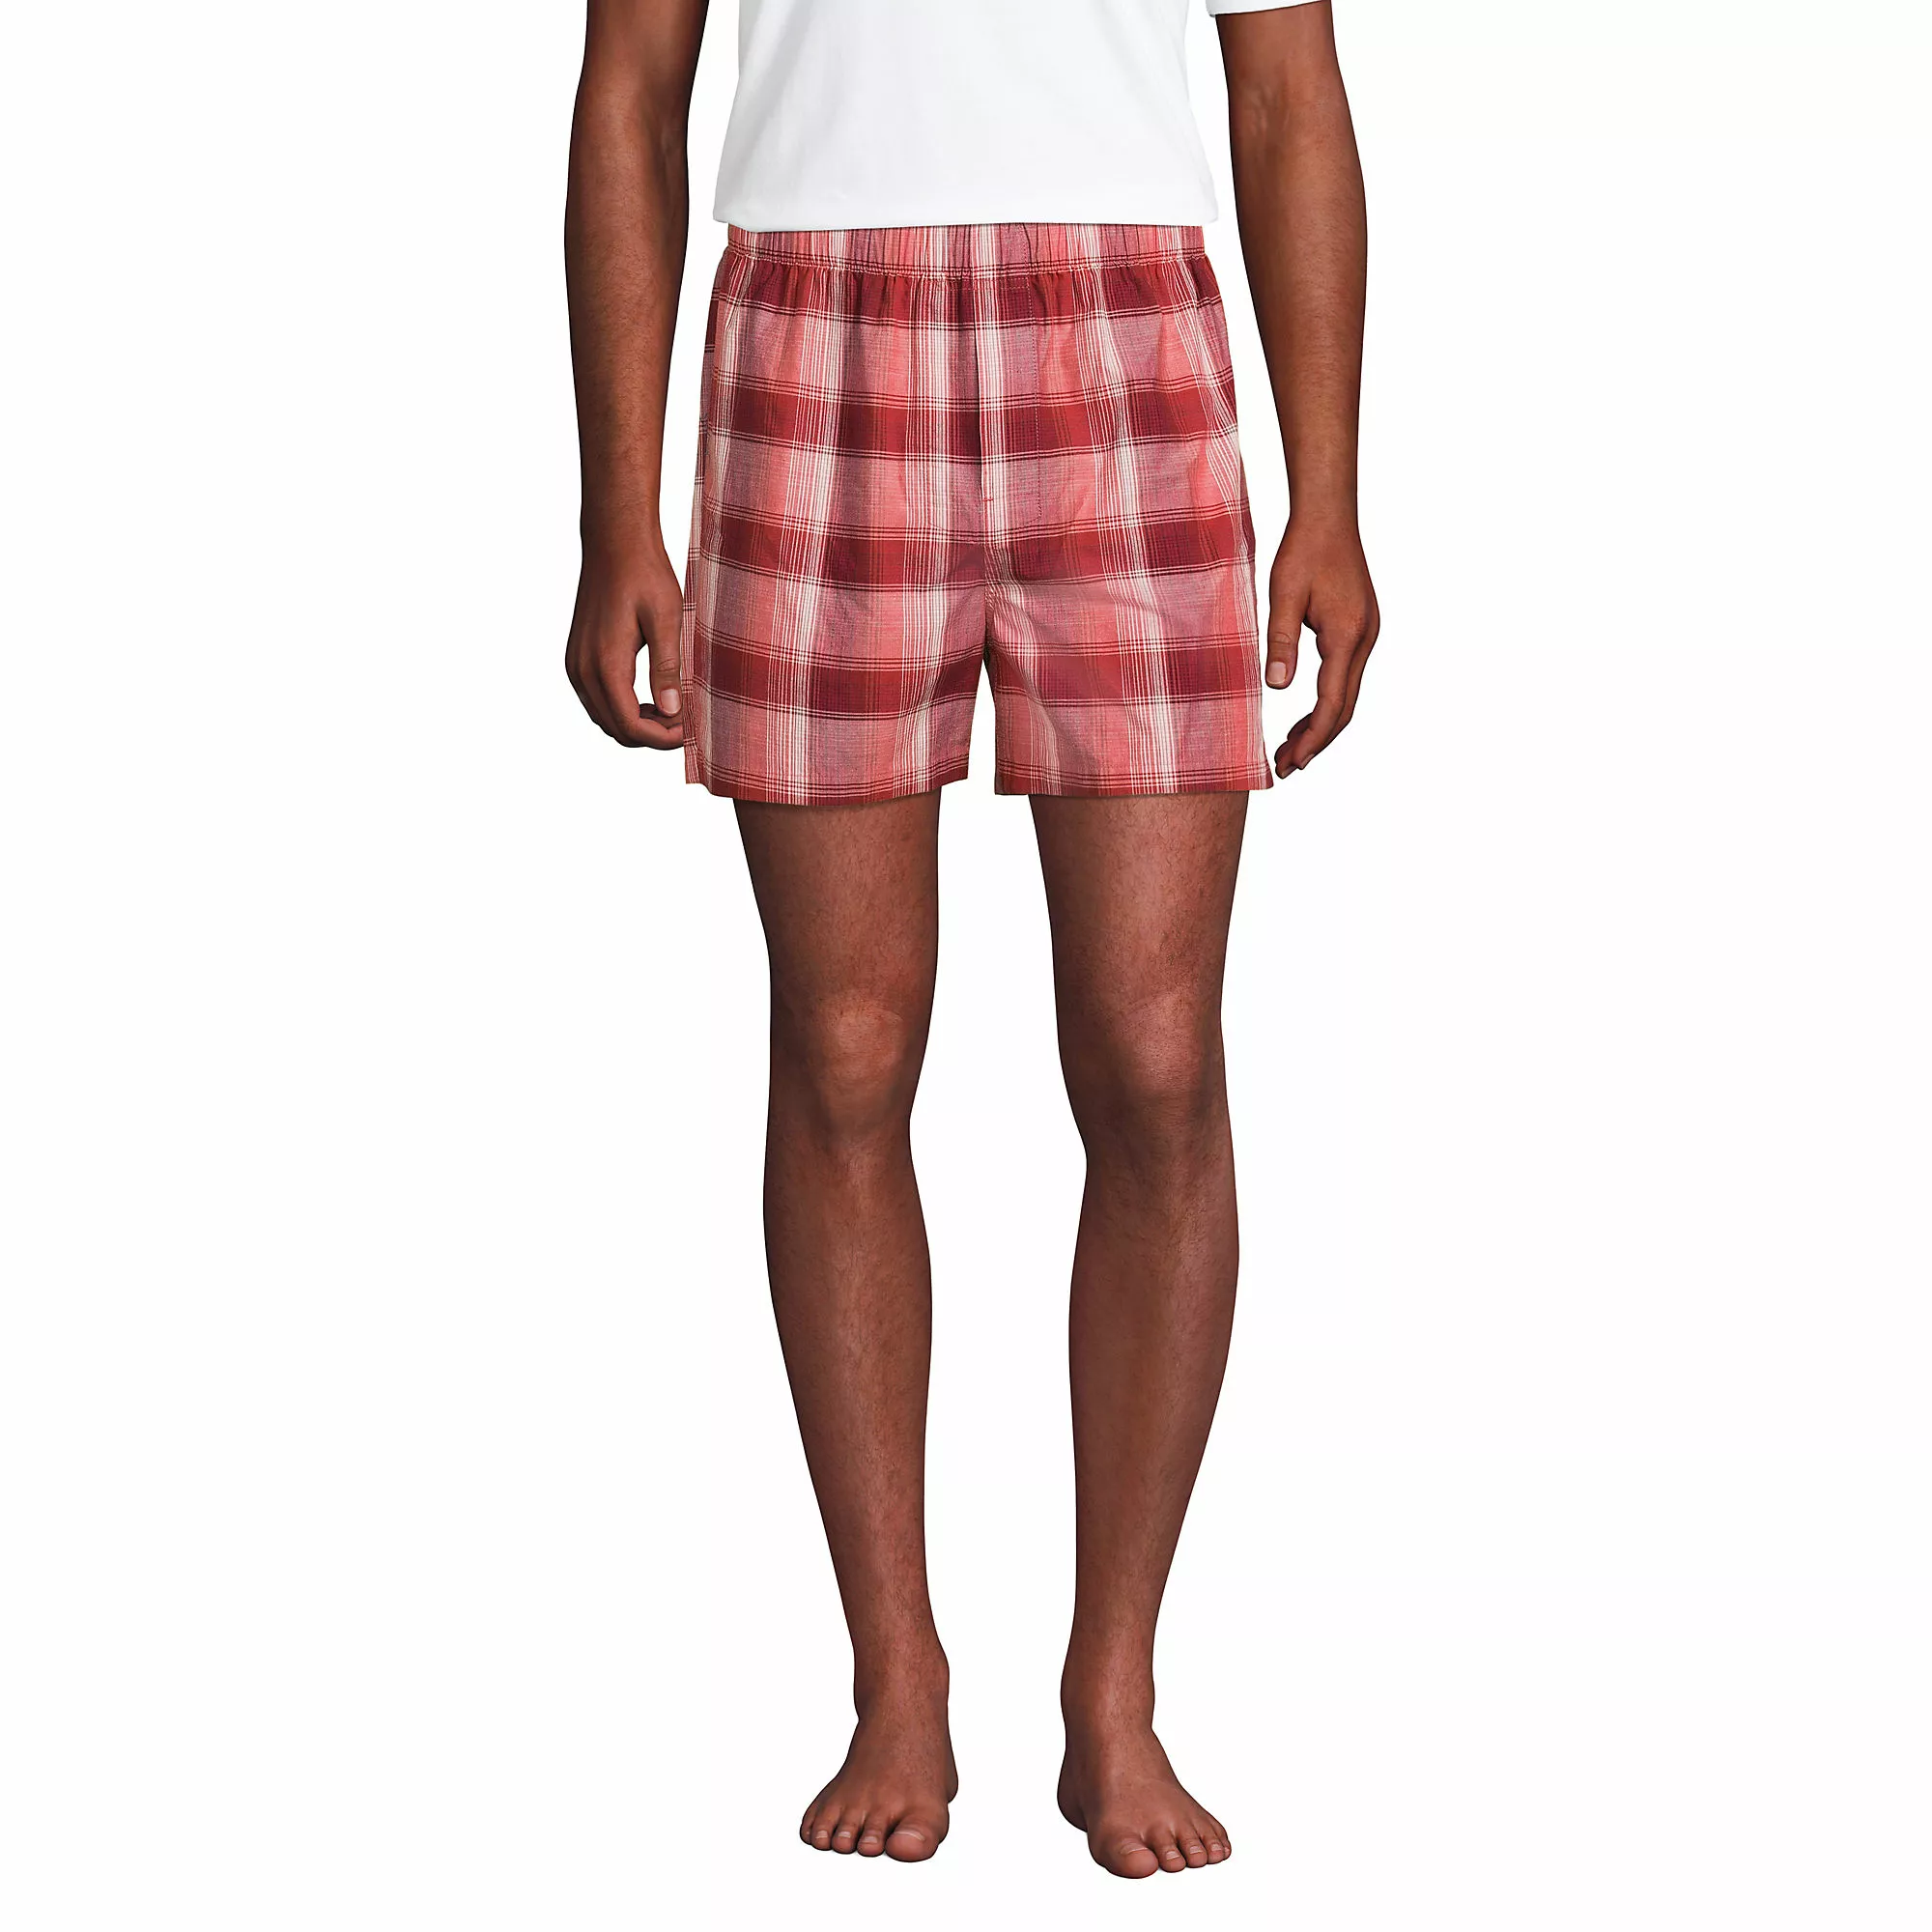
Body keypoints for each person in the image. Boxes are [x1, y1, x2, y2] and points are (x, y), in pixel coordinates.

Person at [562, 0, 1377, 1881]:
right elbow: (629, 86)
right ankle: (896, 1673)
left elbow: (1287, 91)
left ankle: (1116, 1686)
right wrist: (616, 505)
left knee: (1156, 1060)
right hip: (811, 320)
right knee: (845, 1045)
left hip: (1131, 330)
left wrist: (1328, 493)